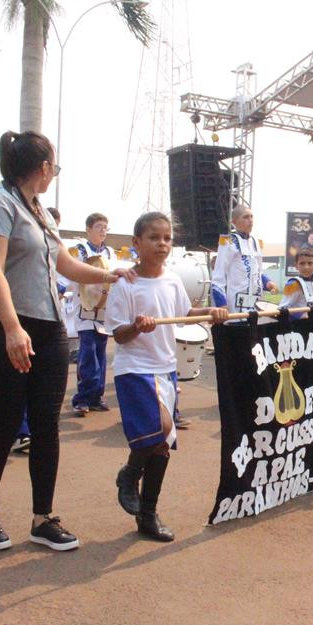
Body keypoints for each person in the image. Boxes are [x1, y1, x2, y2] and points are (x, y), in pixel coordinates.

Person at [0, 130, 136, 552]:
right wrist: (11, 328)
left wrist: (107, 275)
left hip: (47, 327)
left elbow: (64, 263)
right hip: (3, 325)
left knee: (47, 426)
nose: (53, 174)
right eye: (53, 167)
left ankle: (43, 518)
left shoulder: (39, 210)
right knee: (6, 424)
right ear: (43, 168)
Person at [107, 212, 229, 541]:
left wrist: (211, 313)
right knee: (159, 429)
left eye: (167, 238)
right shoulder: (125, 283)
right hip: (135, 369)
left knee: (161, 448)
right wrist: (136, 326)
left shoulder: (173, 280)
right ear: (136, 243)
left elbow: (184, 314)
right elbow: (118, 334)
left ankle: (148, 514)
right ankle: (129, 473)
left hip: (165, 369)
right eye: (153, 238)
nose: (162, 244)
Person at [70, 213, 115, 417]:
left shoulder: (110, 252)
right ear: (88, 229)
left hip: (104, 311)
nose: (103, 230)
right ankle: (82, 398)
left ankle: (96, 396)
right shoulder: (80, 250)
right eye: (99, 226)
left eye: (105, 227)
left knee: (100, 355)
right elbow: (70, 275)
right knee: (88, 355)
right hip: (86, 310)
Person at [211, 205, 278, 313]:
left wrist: (267, 282)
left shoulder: (256, 241)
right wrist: (221, 305)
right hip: (235, 306)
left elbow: (257, 271)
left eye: (251, 217)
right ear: (234, 221)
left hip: (256, 304)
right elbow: (218, 277)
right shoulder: (228, 241)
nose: (250, 220)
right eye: (246, 217)